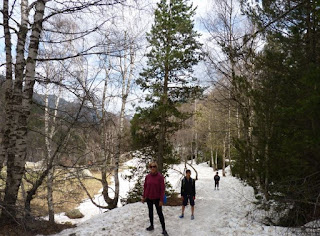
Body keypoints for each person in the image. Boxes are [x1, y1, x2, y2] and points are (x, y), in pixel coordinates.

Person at [142, 162, 168, 236]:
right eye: (151, 167)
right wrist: (144, 197)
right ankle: (151, 226)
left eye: (154, 167)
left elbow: (162, 189)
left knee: (160, 214)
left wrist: (161, 200)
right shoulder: (147, 177)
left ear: (156, 167)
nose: (152, 168)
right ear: (149, 168)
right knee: (150, 212)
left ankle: (164, 229)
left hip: (157, 198)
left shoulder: (160, 177)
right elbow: (145, 187)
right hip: (149, 198)